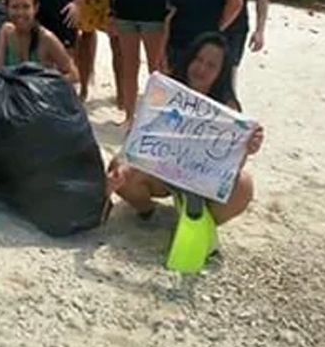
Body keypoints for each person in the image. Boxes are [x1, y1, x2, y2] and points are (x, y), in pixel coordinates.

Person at [106, 32, 264, 225]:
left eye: (211, 65)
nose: (201, 68)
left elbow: (230, 168)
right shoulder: (167, 91)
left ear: (220, 73)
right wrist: (122, 167)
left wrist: (247, 148)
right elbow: (138, 139)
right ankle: (147, 210)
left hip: (201, 181)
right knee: (118, 167)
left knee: (244, 186)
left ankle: (198, 224)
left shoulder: (229, 108)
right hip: (161, 171)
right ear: (189, 60)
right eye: (198, 59)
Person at [0, 0, 79, 82]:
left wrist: (45, 83)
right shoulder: (6, 31)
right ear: (7, 8)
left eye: (26, 7)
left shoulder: (46, 38)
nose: (20, 13)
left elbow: (74, 75)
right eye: (15, 7)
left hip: (40, 94)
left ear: (35, 8)